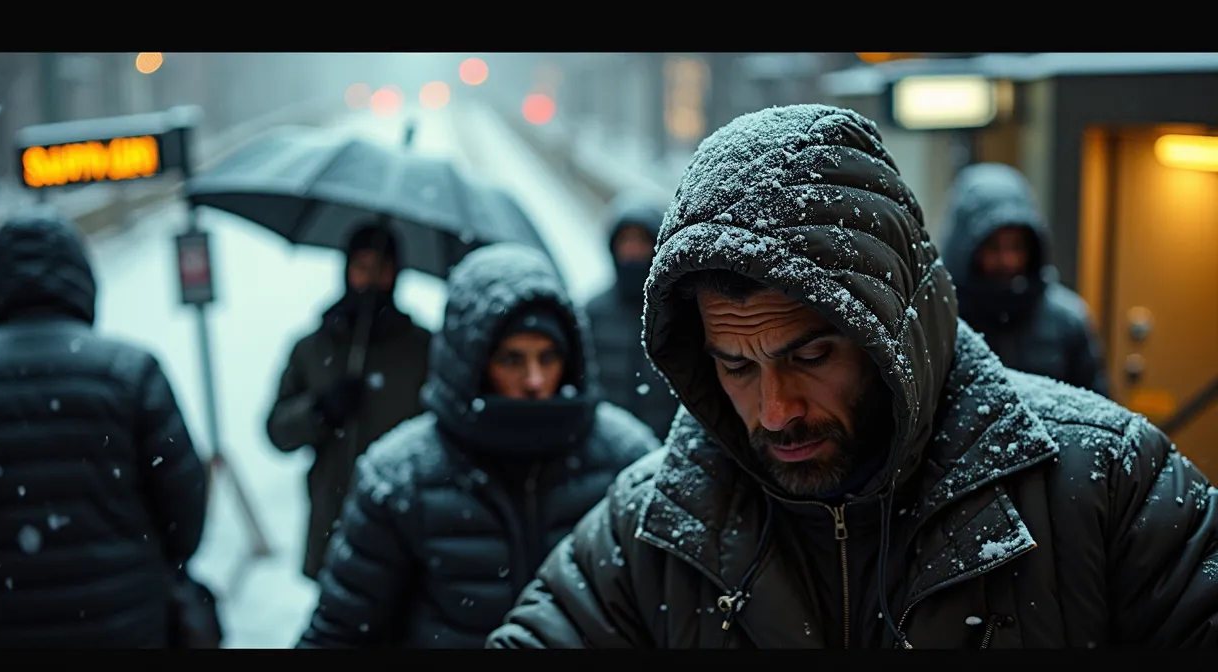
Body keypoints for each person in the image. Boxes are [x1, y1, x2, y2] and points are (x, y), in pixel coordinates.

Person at [487, 105, 1218, 649]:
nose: (775, 412)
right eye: (737, 367)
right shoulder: (656, 524)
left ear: (892, 328)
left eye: (810, 357)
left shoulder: (1105, 487)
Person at [296, 242, 658, 648]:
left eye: (549, 357)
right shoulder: (404, 478)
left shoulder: (626, 461)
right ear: (473, 364)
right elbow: (340, 631)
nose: (536, 379)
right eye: (512, 360)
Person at [0, 208, 208, 648]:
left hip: (9, 633)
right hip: (128, 627)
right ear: (83, 279)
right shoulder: (132, 374)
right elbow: (186, 517)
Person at [266, 221, 432, 581]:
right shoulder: (312, 348)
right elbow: (277, 431)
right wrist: (320, 410)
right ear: (345, 270)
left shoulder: (425, 350)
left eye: (382, 269)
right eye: (361, 267)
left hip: (406, 530)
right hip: (334, 525)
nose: (370, 280)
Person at [941, 162, 1110, 397]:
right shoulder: (942, 318)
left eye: (1017, 247)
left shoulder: (1066, 321)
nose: (1007, 260)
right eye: (993, 247)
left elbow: (1097, 408)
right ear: (966, 248)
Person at [584, 192, 680, 441]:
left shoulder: (680, 312)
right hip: (608, 446)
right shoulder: (591, 313)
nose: (632, 250)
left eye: (641, 241)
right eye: (625, 240)